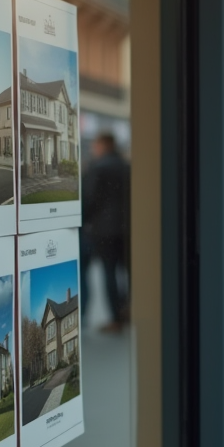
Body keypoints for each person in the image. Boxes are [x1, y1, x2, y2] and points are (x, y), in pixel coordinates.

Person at [82, 132, 131, 333]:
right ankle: (126, 309)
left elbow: (89, 199)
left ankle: (115, 318)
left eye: (95, 145)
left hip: (104, 230)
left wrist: (83, 220)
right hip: (127, 227)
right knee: (126, 271)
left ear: (103, 145)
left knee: (109, 272)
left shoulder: (98, 167)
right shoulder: (126, 166)